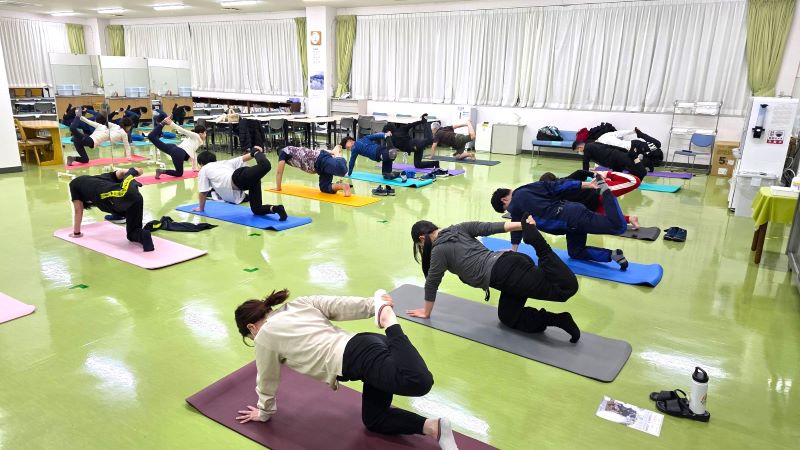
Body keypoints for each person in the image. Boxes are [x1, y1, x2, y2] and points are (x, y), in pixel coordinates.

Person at [233, 289, 459, 450]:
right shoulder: (298, 304)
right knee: (375, 420)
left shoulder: (264, 336)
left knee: (418, 382)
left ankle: (391, 323)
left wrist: (264, 412)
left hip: (358, 358)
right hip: (364, 346)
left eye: (250, 337)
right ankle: (434, 428)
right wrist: (374, 304)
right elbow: (340, 305)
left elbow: (267, 379)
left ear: (251, 327)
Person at [408, 217, 581, 342]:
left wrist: (426, 312)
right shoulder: (458, 228)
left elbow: (432, 283)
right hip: (508, 266)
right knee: (508, 317)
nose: (422, 248)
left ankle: (538, 243)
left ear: (422, 238)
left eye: (420, 245)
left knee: (564, 289)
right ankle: (560, 319)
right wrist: (523, 224)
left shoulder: (438, 251)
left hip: (507, 274)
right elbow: (492, 227)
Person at [491, 175, 630, 270]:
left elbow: (516, 227)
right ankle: (612, 255)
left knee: (618, 227)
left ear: (504, 200)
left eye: (506, 208)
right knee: (575, 252)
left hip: (572, 219)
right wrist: (587, 184)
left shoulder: (514, 205)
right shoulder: (526, 188)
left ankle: (606, 193)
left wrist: (513, 249)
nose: (509, 210)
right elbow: (557, 185)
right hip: (571, 221)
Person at [68, 167, 154, 252]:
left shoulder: (73, 184)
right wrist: (137, 171)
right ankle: (143, 234)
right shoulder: (102, 177)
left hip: (121, 195)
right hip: (136, 198)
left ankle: (130, 176)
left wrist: (76, 233)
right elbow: (121, 172)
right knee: (132, 233)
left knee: (114, 196)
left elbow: (78, 210)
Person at [194, 148, 287, 219]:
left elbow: (203, 192)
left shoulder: (204, 169)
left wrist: (201, 208)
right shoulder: (223, 162)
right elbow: (244, 158)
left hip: (238, 178)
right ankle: (277, 209)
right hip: (247, 181)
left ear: (201, 163)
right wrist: (253, 152)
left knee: (265, 166)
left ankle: (257, 153)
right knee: (257, 210)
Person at [540, 170, 642, 229]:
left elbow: (580, 172)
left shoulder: (565, 181)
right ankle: (630, 219)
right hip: (594, 206)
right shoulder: (552, 196)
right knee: (610, 221)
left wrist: (601, 175)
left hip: (600, 191)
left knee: (634, 181)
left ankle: (607, 173)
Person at [274, 145, 351, 196]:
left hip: (320, 159)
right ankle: (343, 186)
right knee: (324, 188)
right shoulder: (291, 150)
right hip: (319, 167)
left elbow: (279, 172)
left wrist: (278, 187)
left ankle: (337, 153)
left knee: (342, 170)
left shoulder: (283, 152)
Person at [383, 114, 447, 174]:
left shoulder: (392, 138)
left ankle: (426, 122)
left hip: (417, 145)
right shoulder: (400, 131)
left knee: (430, 139)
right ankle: (436, 164)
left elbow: (391, 149)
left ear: (389, 131)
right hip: (416, 146)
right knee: (418, 165)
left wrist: (423, 121)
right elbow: (411, 124)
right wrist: (421, 121)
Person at [66, 107, 132, 165]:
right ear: (127, 126)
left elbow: (89, 121)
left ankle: (72, 158)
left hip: (80, 141)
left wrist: (81, 117)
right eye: (130, 127)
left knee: (85, 160)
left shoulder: (106, 126)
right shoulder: (117, 131)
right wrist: (129, 157)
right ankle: (77, 116)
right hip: (88, 140)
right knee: (72, 129)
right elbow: (127, 145)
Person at [572, 140, 648, 180]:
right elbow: (609, 146)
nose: (579, 152)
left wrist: (584, 175)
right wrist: (623, 150)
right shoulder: (594, 143)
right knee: (616, 175)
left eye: (578, 151)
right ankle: (630, 179)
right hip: (617, 157)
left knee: (640, 171)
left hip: (617, 159)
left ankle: (636, 180)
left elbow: (585, 163)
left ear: (580, 147)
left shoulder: (587, 149)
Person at [595, 127, 663, 172]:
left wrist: (596, 167)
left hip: (634, 146)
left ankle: (641, 135)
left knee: (657, 144)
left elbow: (600, 158)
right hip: (631, 150)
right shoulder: (605, 135)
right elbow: (621, 132)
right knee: (634, 167)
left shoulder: (601, 144)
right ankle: (648, 164)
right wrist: (633, 131)